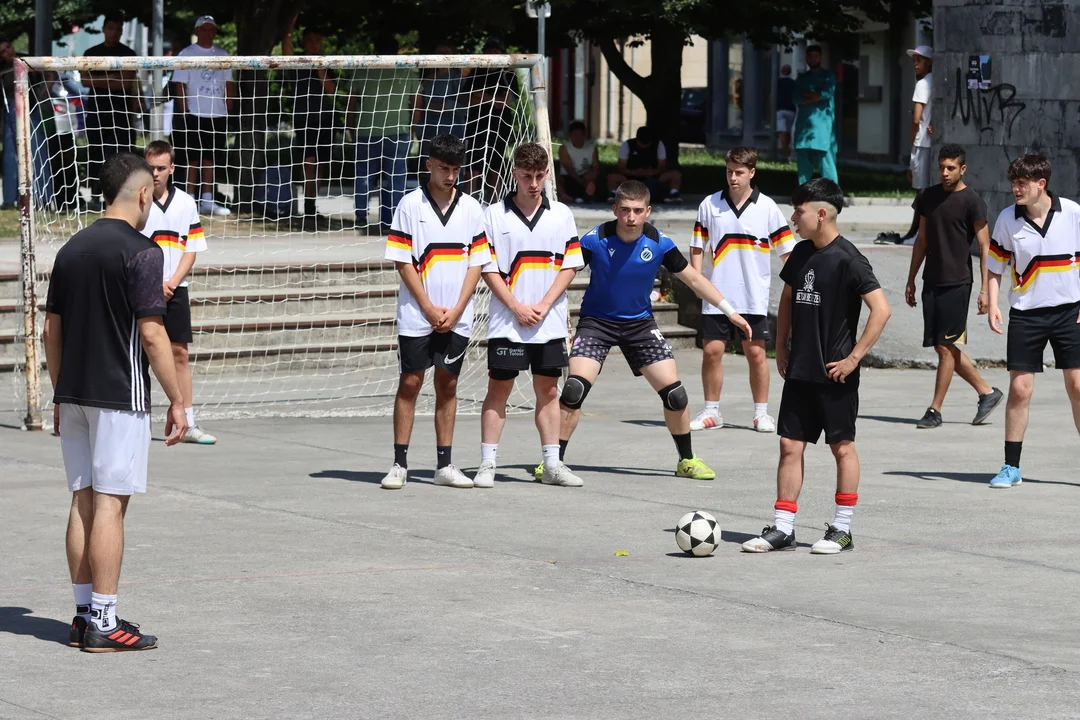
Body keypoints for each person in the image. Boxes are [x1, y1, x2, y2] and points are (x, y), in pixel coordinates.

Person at [42, 152, 188, 652]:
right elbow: (152, 333)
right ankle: (104, 621)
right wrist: (177, 399)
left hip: (75, 393)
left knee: (82, 499)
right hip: (119, 394)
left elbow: (51, 331)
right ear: (144, 193)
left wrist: (60, 392)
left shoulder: (71, 248)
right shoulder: (142, 251)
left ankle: (84, 615)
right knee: (110, 504)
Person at [548, 180, 752, 486]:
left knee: (676, 395)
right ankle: (553, 462)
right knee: (574, 390)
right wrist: (541, 305)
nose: (631, 217)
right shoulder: (594, 240)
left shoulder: (659, 243)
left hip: (639, 325)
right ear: (614, 209)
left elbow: (695, 280)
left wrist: (730, 311)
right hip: (597, 323)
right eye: (625, 210)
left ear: (648, 211)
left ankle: (686, 460)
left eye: (637, 210)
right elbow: (564, 272)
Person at [742, 178, 891, 554]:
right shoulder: (800, 253)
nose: (793, 219)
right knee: (789, 444)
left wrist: (854, 358)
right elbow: (788, 298)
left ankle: (842, 529)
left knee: (842, 447)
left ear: (821, 214)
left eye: (799, 212)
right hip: (800, 370)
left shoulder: (849, 259)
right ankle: (783, 529)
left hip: (835, 373)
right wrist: (781, 344)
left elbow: (881, 309)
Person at [380, 134, 490, 490]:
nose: (450, 176)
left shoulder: (472, 208)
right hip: (417, 314)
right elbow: (402, 261)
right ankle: (399, 464)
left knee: (448, 383)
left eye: (456, 169)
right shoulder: (409, 205)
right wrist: (427, 306)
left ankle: (445, 465)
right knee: (410, 382)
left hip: (457, 315)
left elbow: (477, 263)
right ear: (429, 165)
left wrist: (457, 309)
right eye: (444, 168)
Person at [473, 143, 584, 488]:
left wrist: (545, 305)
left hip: (549, 322)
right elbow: (487, 267)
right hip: (507, 322)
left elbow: (570, 265)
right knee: (499, 389)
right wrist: (516, 306)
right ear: (514, 174)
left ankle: (551, 464)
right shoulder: (493, 215)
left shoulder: (561, 214)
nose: (533, 183)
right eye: (526, 176)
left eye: (539, 176)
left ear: (547, 173)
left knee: (548, 390)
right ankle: (487, 464)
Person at [986, 153, 1080, 488]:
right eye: (1014, 182)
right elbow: (995, 266)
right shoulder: (1007, 219)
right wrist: (993, 303)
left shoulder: (1072, 213)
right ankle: (1011, 467)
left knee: (1078, 386)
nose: (1016, 189)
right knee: (1020, 389)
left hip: (1070, 313)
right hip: (1026, 314)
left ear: (1041, 184)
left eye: (1022, 183)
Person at [688, 147, 796, 434]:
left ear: (752, 172)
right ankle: (712, 411)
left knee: (756, 354)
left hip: (752, 295)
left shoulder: (768, 207)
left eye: (739, 172)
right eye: (729, 172)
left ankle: (761, 413)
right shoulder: (710, 204)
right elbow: (697, 245)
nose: (733, 178)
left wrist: (797, 283)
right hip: (717, 294)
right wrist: (697, 278)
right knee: (712, 351)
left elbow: (788, 252)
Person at [905, 144, 1002, 429]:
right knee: (942, 345)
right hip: (931, 281)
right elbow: (921, 240)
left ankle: (935, 409)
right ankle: (987, 392)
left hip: (958, 283)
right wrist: (911, 279)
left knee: (947, 347)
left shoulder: (973, 201)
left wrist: (985, 290)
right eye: (942, 168)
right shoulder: (927, 197)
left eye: (951, 168)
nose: (945, 173)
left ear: (963, 169)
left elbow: (984, 247)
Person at [142, 139, 218, 445]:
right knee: (140, 355)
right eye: (150, 167)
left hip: (175, 288)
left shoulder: (186, 202)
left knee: (180, 354)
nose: (155, 173)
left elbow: (192, 249)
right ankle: (137, 421)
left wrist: (172, 282)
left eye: (161, 168)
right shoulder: (137, 200)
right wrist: (152, 282)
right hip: (143, 288)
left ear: (172, 169)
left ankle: (188, 422)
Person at [349, 35, 419, 233]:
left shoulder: (362, 70)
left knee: (364, 174)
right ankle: (397, 218)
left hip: (366, 130)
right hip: (399, 130)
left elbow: (351, 103)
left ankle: (361, 216)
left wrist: (350, 128)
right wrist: (413, 129)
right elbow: (417, 103)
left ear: (375, 51)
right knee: (397, 176)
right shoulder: (407, 71)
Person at [172, 16, 235, 217]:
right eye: (204, 29)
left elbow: (229, 84)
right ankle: (190, 199)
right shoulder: (186, 54)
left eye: (211, 29)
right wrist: (184, 110)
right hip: (195, 112)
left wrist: (229, 108)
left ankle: (208, 199)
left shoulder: (222, 54)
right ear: (197, 31)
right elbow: (179, 84)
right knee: (193, 159)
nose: (208, 33)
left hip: (217, 114)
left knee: (211, 158)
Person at [282, 17, 337, 230]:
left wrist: (319, 66)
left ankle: (312, 204)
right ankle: (308, 204)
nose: (314, 44)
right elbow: (286, 50)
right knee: (309, 162)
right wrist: (289, 25)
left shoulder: (326, 62)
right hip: (304, 118)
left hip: (325, 118)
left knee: (320, 164)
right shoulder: (297, 62)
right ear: (304, 42)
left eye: (318, 41)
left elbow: (331, 89)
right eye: (311, 40)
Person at [82, 11, 140, 212]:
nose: (114, 32)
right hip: (97, 110)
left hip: (121, 111)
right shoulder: (91, 52)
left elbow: (125, 83)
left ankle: (123, 193)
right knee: (95, 152)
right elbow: (85, 81)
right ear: (104, 29)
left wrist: (100, 80)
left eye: (118, 29)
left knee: (123, 153)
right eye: (110, 28)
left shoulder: (128, 54)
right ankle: (95, 194)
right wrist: (113, 78)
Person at [878, 45, 934, 245]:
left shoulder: (922, 84)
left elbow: (916, 119)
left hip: (921, 143)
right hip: (930, 143)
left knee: (922, 192)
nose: (915, 64)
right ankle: (915, 233)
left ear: (929, 62)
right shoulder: (935, 82)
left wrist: (912, 140)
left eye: (919, 60)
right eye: (914, 60)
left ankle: (916, 234)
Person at [466, 37, 519, 203]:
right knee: (473, 164)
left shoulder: (508, 75)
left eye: (497, 50)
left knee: (496, 164)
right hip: (477, 122)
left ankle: (495, 202)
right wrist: (493, 100)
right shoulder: (477, 72)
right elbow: (469, 98)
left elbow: (506, 101)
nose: (493, 53)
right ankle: (469, 201)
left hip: (500, 124)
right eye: (490, 50)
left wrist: (482, 97)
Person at [792, 45, 838, 185]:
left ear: (821, 58)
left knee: (827, 164)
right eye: (810, 56)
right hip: (804, 128)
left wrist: (810, 95)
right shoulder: (801, 79)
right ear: (806, 58)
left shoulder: (828, 76)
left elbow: (826, 93)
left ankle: (832, 193)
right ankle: (803, 193)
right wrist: (816, 96)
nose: (813, 59)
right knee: (803, 167)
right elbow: (796, 99)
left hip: (823, 128)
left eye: (816, 56)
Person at [415, 42, 466, 161]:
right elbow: (420, 104)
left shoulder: (457, 78)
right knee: (430, 163)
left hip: (452, 127)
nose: (443, 55)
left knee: (452, 163)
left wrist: (446, 105)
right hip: (429, 128)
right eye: (439, 53)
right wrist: (419, 128)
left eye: (446, 52)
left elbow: (466, 106)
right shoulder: (427, 79)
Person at [606, 126, 683, 204]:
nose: (644, 146)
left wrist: (651, 172)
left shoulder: (658, 144)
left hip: (654, 177)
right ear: (637, 139)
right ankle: (613, 195)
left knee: (676, 174)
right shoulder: (628, 145)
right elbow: (621, 167)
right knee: (612, 177)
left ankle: (673, 194)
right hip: (630, 178)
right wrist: (635, 172)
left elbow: (662, 166)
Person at [557, 120, 600, 204]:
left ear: (584, 136)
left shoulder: (592, 148)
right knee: (557, 179)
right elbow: (569, 168)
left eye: (580, 135)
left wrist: (592, 176)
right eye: (575, 135)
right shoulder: (564, 148)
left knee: (592, 177)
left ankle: (588, 195)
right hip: (568, 176)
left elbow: (596, 167)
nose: (578, 138)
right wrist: (579, 181)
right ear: (570, 136)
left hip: (585, 176)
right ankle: (565, 196)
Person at [1, 40, 18, 210]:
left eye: (8, 47)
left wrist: (44, 91)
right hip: (10, 109)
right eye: (2, 51)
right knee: (10, 155)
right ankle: (9, 199)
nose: (7, 52)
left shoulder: (24, 61)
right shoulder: (3, 69)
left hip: (29, 108)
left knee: (34, 154)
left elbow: (51, 74)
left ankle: (41, 198)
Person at [776, 65, 796, 162]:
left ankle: (785, 151)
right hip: (791, 109)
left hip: (780, 109)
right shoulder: (793, 83)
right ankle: (787, 149)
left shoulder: (778, 82)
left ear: (781, 72)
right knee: (787, 131)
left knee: (782, 131)